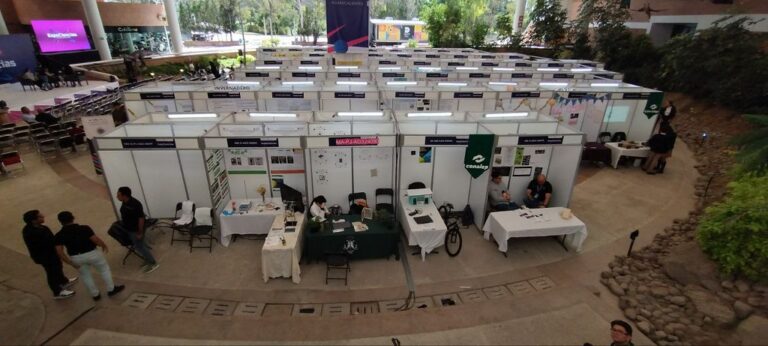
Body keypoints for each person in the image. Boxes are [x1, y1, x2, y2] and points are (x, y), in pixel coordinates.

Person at [54, 211, 125, 301]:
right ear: (73, 217)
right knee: (104, 270)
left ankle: (95, 295)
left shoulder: (59, 235)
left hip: (76, 258)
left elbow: (59, 252)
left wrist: (70, 262)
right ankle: (111, 289)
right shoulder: (84, 228)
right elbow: (95, 239)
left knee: (86, 276)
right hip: (92, 254)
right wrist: (103, 245)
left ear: (60, 221)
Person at [22, 210, 77, 299]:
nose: (43, 216)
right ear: (34, 220)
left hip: (52, 253)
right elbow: (44, 244)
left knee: (58, 267)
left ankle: (63, 281)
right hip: (45, 257)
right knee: (52, 272)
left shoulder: (42, 227)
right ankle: (57, 292)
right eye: (40, 216)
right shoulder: (31, 232)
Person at [116, 186, 159, 274]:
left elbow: (141, 219)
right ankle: (147, 259)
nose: (117, 197)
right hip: (129, 229)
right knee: (140, 246)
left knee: (140, 247)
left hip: (135, 230)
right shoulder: (125, 202)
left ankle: (153, 262)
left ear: (125, 196)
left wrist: (140, 232)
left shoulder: (135, 204)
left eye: (119, 195)